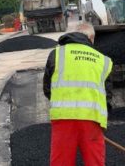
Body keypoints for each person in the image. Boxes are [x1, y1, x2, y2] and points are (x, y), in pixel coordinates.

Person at [43, 23, 113, 166]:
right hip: (92, 120)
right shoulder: (103, 60)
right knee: (95, 162)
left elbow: (47, 89)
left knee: (61, 162)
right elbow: (107, 96)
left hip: (63, 118)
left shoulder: (57, 54)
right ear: (91, 38)